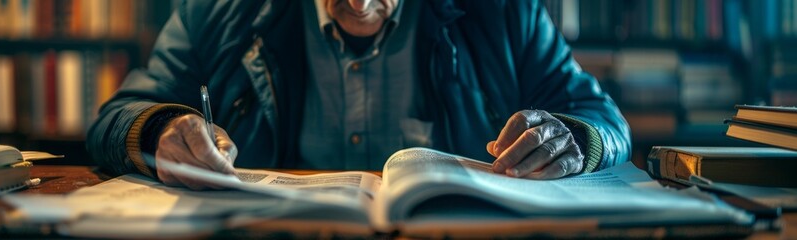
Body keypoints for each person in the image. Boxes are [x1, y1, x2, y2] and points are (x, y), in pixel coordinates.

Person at [87, 0, 631, 190]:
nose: (361, 5)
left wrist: (574, 139)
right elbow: (117, 117)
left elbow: (602, 118)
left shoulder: (503, 12)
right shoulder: (218, 11)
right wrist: (159, 131)